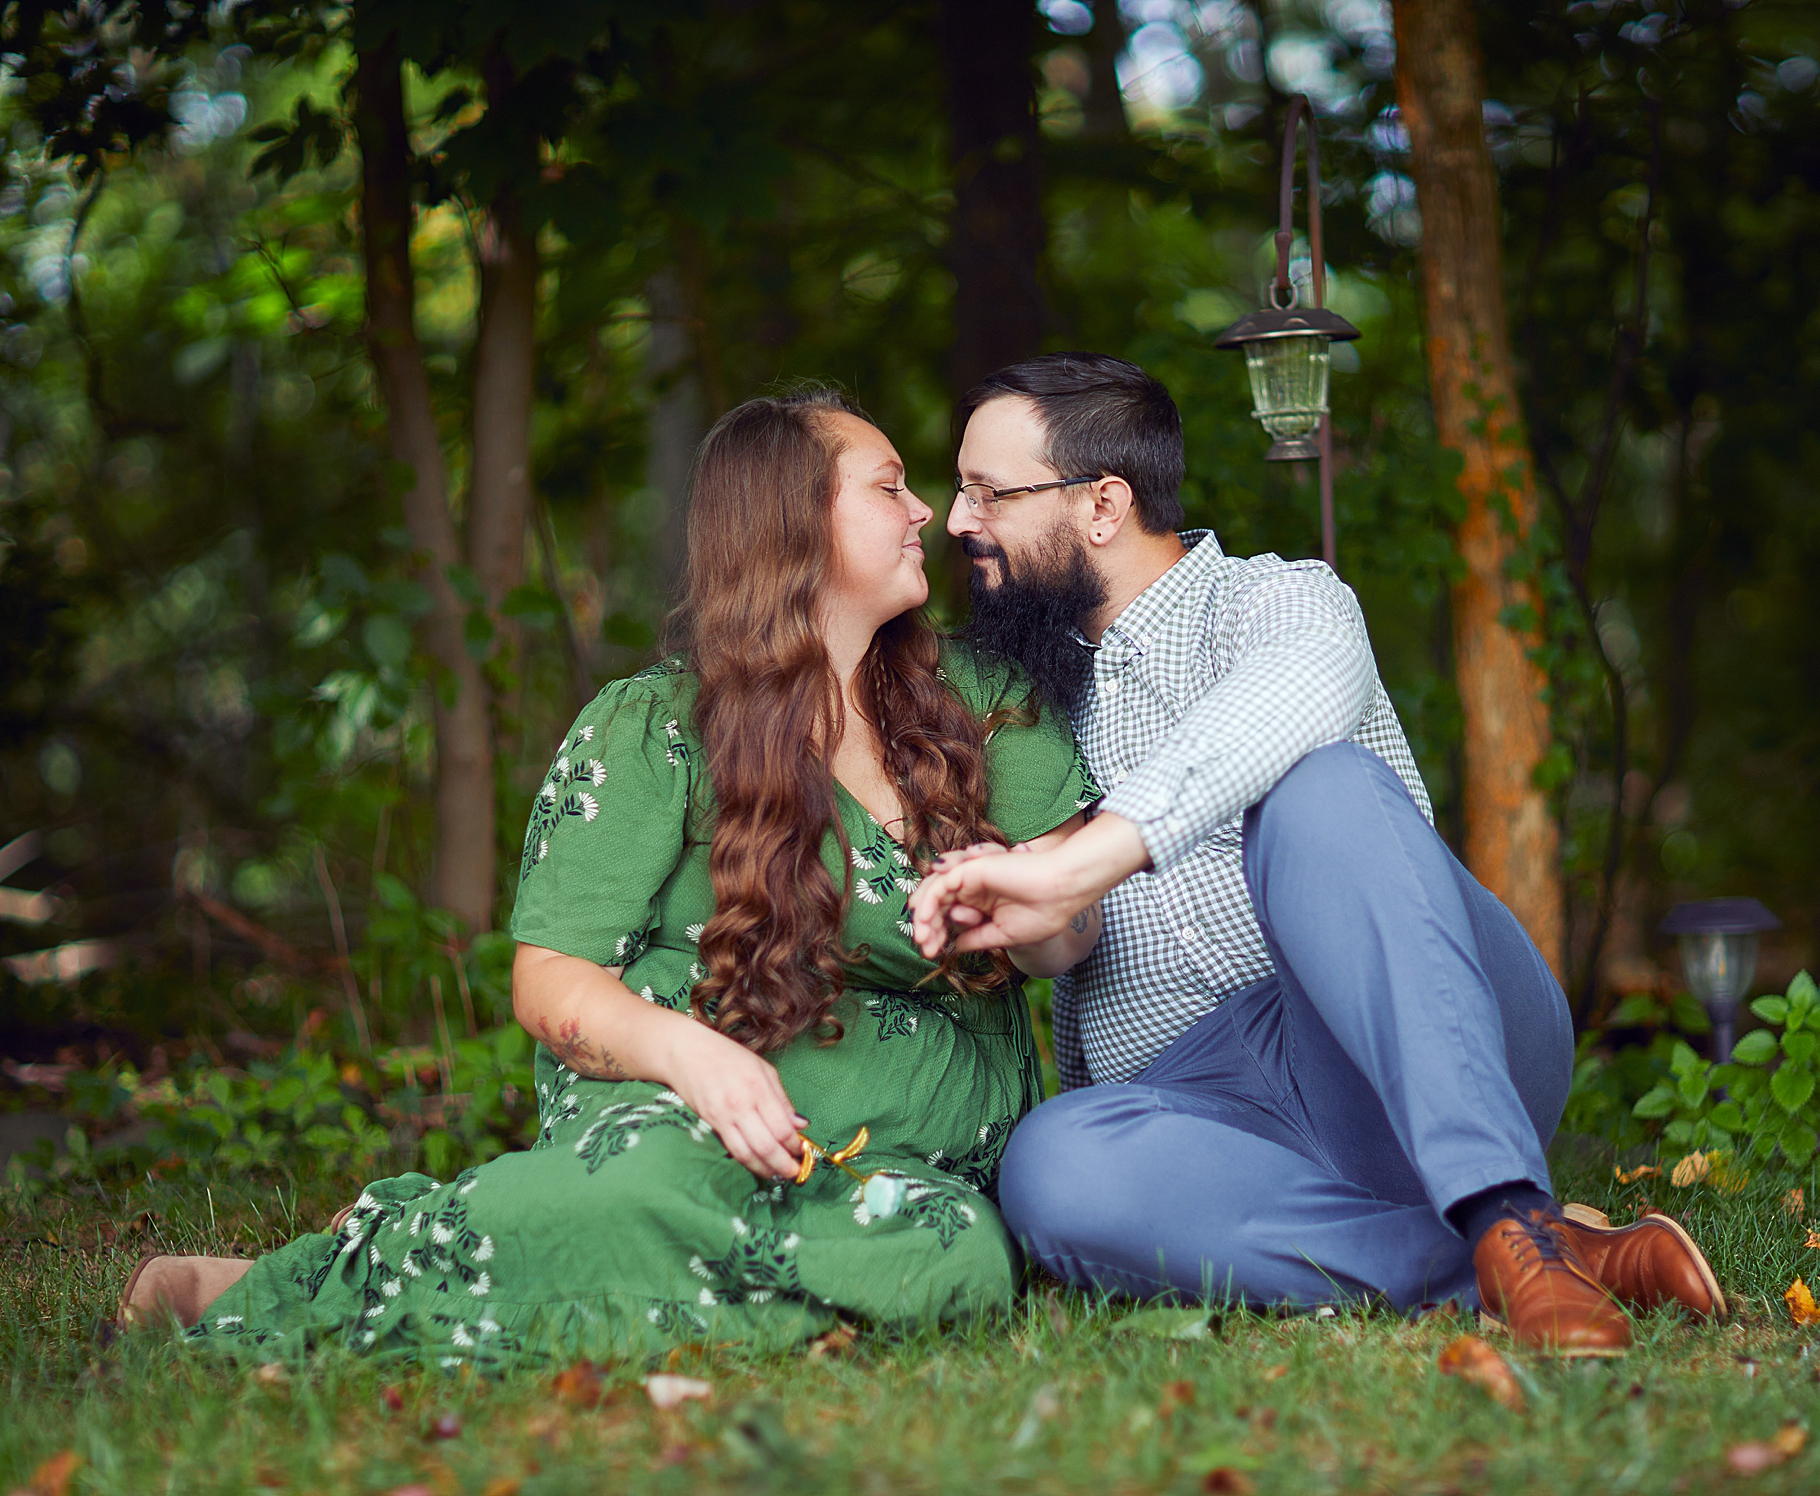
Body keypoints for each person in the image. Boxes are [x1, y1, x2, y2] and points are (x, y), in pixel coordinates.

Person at [117, 388, 1101, 1365]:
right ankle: (276, 1288)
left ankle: (508, 1250)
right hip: (679, 1120)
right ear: (794, 520)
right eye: (888, 487)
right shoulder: (652, 726)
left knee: (958, 1261)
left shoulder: (985, 701)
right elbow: (551, 980)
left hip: (901, 1167)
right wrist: (692, 1057)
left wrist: (1022, 906)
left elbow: (1069, 939)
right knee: (643, 1194)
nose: (925, 510)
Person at [910, 353, 1725, 1356]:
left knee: (1317, 786)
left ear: (1102, 505)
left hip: (1413, 1040)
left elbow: (1299, 692)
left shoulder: (1281, 603)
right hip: (1217, 1123)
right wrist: (1036, 917)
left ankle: (1504, 1205)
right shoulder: (1010, 700)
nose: (955, 518)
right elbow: (1062, 938)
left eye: (987, 491)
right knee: (1051, 1165)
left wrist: (1090, 855)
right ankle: (1526, 1258)